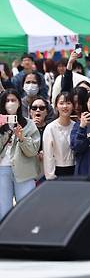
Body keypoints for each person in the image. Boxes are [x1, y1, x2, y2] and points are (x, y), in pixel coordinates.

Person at [0, 89, 41, 220]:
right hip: (2, 170)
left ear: (19, 103)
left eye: (13, 100)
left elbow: (33, 151)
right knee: (3, 209)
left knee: (26, 208)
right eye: (7, 100)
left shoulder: (29, 125)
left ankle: (25, 237)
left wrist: (22, 138)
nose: (10, 103)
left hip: (24, 171)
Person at [42, 92, 75, 180]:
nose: (65, 106)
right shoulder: (50, 128)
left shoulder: (77, 126)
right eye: (61, 103)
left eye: (68, 103)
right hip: (58, 171)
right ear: (56, 106)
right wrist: (50, 176)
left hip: (75, 170)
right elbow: (48, 155)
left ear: (73, 106)